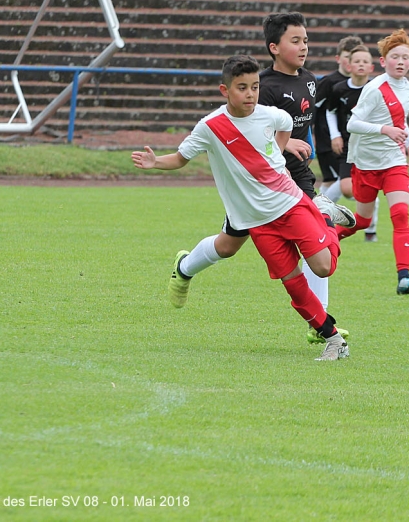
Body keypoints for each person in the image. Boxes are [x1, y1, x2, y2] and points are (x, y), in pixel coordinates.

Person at [131, 55, 351, 360]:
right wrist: (156, 162)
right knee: (292, 284)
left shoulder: (268, 114)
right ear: (225, 90)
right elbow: (181, 158)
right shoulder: (210, 126)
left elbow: (286, 123)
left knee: (323, 267)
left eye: (255, 87)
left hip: (289, 203)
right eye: (242, 87)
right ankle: (333, 339)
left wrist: (279, 150)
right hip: (256, 221)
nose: (250, 94)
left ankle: (325, 217)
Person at [335, 29, 409, 295]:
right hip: (366, 163)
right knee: (362, 221)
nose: (400, 61)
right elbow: (353, 124)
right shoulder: (374, 89)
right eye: (394, 57)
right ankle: (325, 237)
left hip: (394, 161)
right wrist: (384, 130)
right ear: (383, 62)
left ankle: (404, 277)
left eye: (404, 57)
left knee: (401, 214)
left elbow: (400, 121)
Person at [314, 35, 362, 202]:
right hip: (329, 143)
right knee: (346, 181)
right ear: (338, 59)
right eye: (347, 57)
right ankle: (370, 209)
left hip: (349, 143)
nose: (351, 62)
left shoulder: (361, 85)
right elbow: (313, 109)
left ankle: (318, 213)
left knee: (331, 181)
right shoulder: (329, 82)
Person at [326, 44, 374, 203]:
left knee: (368, 185)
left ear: (371, 67)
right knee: (347, 189)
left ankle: (322, 207)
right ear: (349, 66)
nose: (361, 64)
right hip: (348, 144)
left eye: (365, 62)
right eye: (357, 61)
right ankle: (323, 205)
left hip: (369, 144)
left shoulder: (375, 90)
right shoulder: (339, 89)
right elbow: (330, 111)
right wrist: (335, 135)